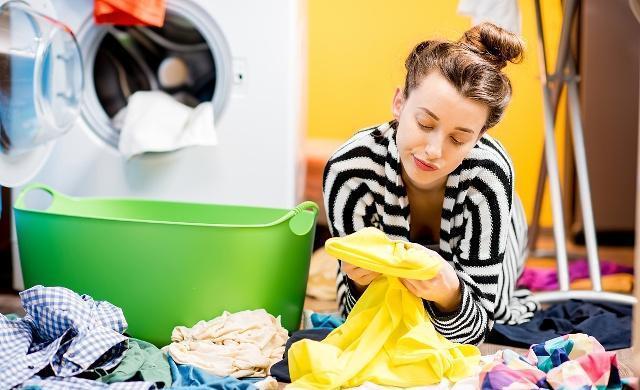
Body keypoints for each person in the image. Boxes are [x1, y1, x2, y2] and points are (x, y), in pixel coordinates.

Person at [322, 22, 538, 345]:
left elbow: (480, 324)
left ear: (479, 138)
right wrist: (358, 285)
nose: (434, 151)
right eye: (424, 123)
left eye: (458, 138)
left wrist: (451, 294)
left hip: (494, 218)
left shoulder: (488, 175)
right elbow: (353, 314)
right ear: (399, 103)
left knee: (501, 303)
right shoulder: (351, 171)